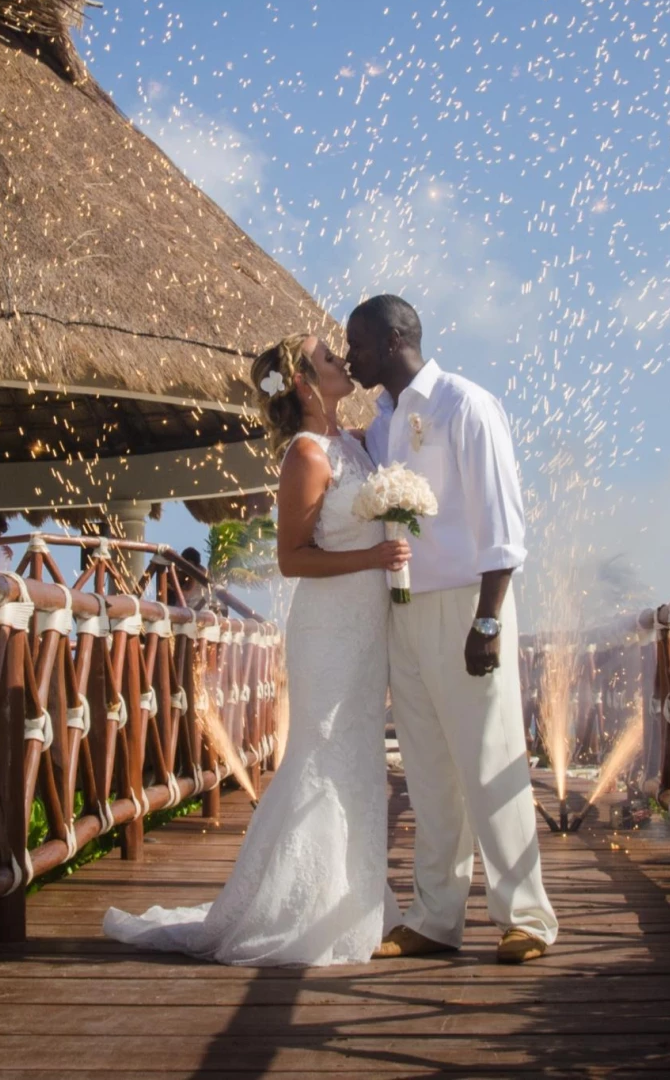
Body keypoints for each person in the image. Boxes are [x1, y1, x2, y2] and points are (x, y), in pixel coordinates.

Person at [103, 333, 410, 966]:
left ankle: (354, 900)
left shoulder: (351, 441)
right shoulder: (305, 454)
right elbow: (293, 558)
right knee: (321, 755)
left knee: (353, 754)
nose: (343, 362)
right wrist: (375, 555)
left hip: (365, 627)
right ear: (303, 382)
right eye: (329, 358)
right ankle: (301, 909)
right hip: (328, 628)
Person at [347, 293, 558, 965]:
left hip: (470, 605)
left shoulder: (467, 405)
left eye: (356, 344)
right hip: (405, 612)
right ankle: (436, 917)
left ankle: (525, 916)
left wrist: (490, 618)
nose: (349, 355)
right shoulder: (383, 421)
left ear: (390, 341)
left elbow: (503, 523)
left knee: (489, 760)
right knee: (429, 770)